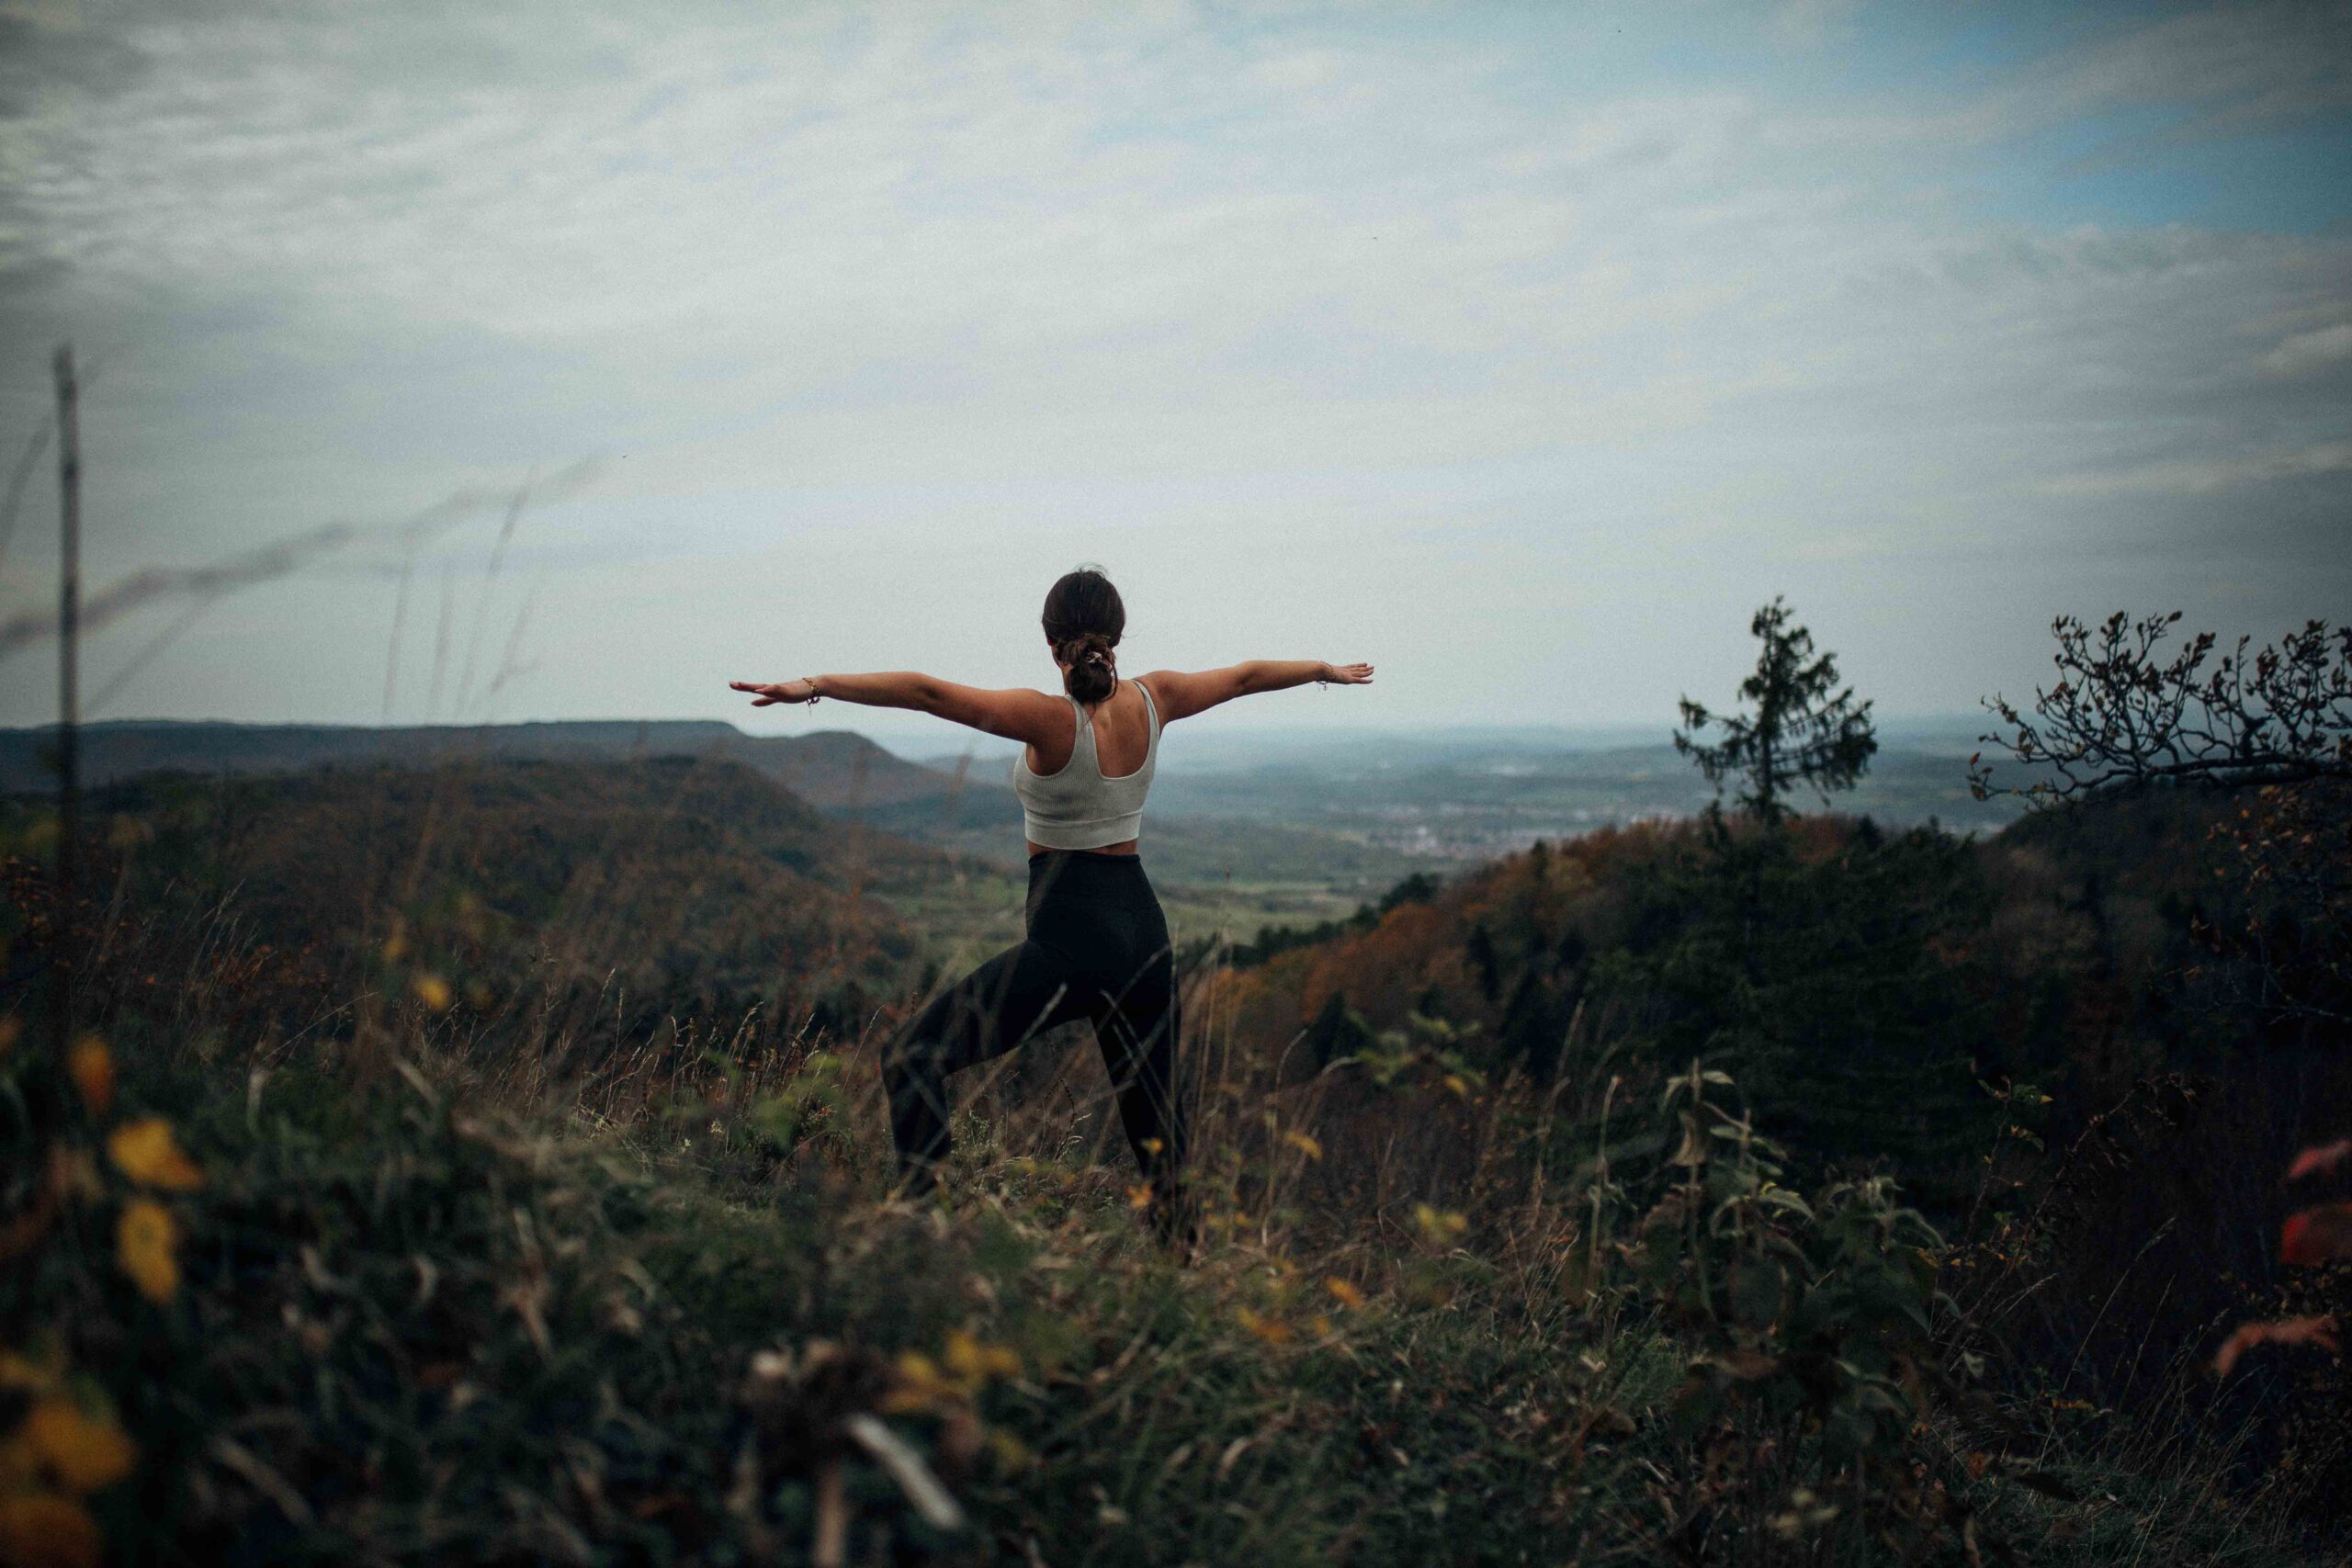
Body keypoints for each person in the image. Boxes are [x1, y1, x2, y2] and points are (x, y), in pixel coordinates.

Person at [729, 566, 1373, 1240]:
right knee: (1159, 1133)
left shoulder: (1046, 719)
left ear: (1050, 640)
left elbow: (924, 692)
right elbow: (1243, 677)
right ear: (1117, 634)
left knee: (912, 1057)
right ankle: (1178, 1272)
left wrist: (817, 686)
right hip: (1144, 935)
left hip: (1071, 939)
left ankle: (919, 1232)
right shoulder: (1157, 699)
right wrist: (1321, 669)